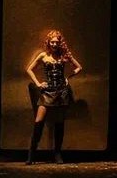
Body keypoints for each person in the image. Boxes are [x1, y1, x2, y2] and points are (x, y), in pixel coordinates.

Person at [24, 29, 82, 164]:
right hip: (47, 92)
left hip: (62, 92)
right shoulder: (43, 55)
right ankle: (31, 154)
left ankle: (57, 153)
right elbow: (29, 69)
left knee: (59, 122)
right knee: (39, 122)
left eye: (56, 42)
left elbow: (79, 67)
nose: (54, 44)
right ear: (48, 43)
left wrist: (68, 77)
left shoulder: (64, 55)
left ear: (59, 43)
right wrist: (38, 84)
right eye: (52, 42)